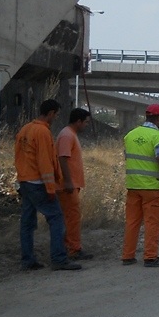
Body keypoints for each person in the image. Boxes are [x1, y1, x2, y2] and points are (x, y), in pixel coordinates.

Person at [15, 99, 81, 271]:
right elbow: (44, 161)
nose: (56, 117)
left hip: (25, 181)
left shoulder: (25, 129)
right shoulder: (42, 132)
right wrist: (51, 188)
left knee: (27, 223)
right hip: (38, 183)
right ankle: (59, 259)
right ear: (51, 113)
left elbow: (19, 157)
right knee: (57, 218)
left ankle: (27, 260)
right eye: (56, 114)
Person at [122, 103, 159, 267]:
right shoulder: (158, 137)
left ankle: (127, 255)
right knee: (152, 222)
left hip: (133, 185)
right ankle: (150, 257)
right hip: (151, 186)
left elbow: (127, 157)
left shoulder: (130, 135)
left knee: (132, 221)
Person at [57, 108, 93, 261]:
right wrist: (68, 180)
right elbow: (62, 158)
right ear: (78, 121)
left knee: (71, 217)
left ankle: (70, 246)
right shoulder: (67, 135)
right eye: (85, 122)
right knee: (72, 217)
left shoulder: (69, 134)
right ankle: (73, 249)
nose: (86, 125)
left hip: (71, 184)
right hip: (67, 186)